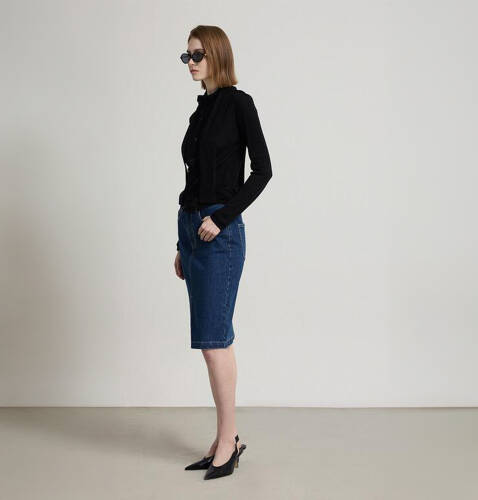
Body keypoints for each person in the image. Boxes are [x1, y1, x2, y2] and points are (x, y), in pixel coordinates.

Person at [175, 25, 272, 480]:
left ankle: (229, 442)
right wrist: (182, 244)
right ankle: (222, 439)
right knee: (210, 342)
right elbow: (193, 181)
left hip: (220, 233)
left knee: (215, 342)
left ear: (217, 55)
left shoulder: (238, 104)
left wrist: (222, 219)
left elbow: (263, 171)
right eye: (186, 56)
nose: (191, 62)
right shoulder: (200, 112)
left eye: (197, 54)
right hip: (193, 230)